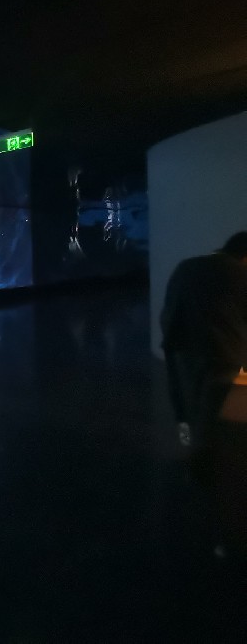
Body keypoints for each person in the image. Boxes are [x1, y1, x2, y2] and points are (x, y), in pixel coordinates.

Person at [161, 231, 247, 555]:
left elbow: (170, 315)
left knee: (193, 414)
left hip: (183, 355)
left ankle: (195, 466)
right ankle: (226, 531)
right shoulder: (239, 273)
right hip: (223, 364)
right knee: (221, 436)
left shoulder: (187, 267)